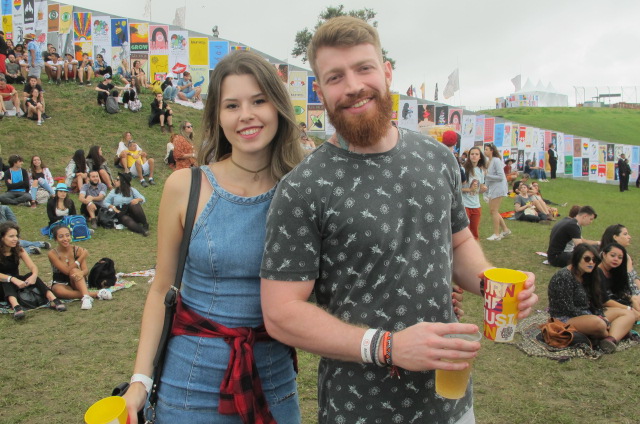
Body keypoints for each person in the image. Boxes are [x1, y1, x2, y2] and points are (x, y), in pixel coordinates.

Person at [258, 17, 538, 424]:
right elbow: (281, 313)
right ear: (320, 90)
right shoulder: (303, 188)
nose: (353, 85)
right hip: (359, 410)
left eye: (364, 68)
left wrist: (488, 282)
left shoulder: (437, 157)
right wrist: (387, 346)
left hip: (452, 406)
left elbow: (458, 243)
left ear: (387, 73)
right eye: (336, 76)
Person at [123, 50, 305, 424]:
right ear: (218, 117)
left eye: (259, 101)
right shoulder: (185, 186)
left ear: (278, 108)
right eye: (232, 105)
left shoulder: (302, 191)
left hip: (275, 381)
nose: (246, 115)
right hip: (190, 384)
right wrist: (140, 381)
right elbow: (161, 290)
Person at [547, 244, 635, 353]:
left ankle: (610, 339)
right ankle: (615, 333)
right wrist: (597, 318)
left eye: (594, 260)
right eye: (587, 259)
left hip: (588, 314)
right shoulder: (563, 277)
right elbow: (566, 308)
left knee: (630, 314)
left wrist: (600, 315)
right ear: (577, 258)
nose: (591, 263)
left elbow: (596, 301)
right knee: (598, 323)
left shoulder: (589, 274)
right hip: (565, 318)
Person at [0, 222, 66, 320]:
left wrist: (34, 276)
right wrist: (12, 279)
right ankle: (16, 308)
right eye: (11, 236)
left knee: (30, 275)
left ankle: (53, 299)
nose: (15, 239)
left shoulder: (19, 250)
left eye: (16, 236)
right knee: (7, 281)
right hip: (3, 284)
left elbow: (32, 266)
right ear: (2, 238)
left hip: (16, 282)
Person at [48, 225, 112, 310]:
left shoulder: (77, 250)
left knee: (74, 271)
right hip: (60, 281)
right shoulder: (52, 253)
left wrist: (81, 273)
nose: (65, 239)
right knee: (57, 291)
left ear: (71, 236)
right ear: (56, 239)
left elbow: (85, 270)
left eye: (67, 235)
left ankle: (86, 298)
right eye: (61, 236)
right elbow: (66, 271)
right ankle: (96, 294)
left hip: (77, 280)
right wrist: (82, 257)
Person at [600, 224, 640, 303]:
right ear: (615, 237)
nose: (629, 237)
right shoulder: (604, 257)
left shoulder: (624, 255)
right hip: (613, 299)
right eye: (625, 234)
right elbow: (630, 280)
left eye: (620, 257)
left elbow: (634, 278)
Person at [598, 243, 640, 315]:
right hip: (602, 307)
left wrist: (632, 299)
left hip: (616, 302)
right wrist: (629, 308)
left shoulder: (615, 271)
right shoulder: (596, 272)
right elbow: (604, 301)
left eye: (620, 257)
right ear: (604, 255)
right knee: (629, 314)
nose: (616, 259)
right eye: (612, 255)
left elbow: (621, 292)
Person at [484, 143, 511, 240]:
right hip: (493, 188)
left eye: (486, 149)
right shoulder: (488, 161)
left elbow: (500, 177)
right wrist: (485, 191)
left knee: (494, 210)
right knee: (492, 211)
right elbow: (487, 178)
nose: (485, 151)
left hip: (499, 187)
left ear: (491, 150)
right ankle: (505, 229)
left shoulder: (496, 160)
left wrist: (487, 175)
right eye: (485, 149)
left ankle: (496, 234)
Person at [461, 146, 487, 240]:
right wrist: (469, 189)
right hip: (465, 204)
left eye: (476, 154)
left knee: (474, 232)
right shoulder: (463, 170)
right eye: (472, 154)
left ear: (480, 157)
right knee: (465, 231)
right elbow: (456, 188)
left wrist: (482, 190)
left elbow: (478, 189)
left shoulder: (480, 171)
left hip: (476, 205)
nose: (474, 156)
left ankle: (474, 251)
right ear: (469, 156)